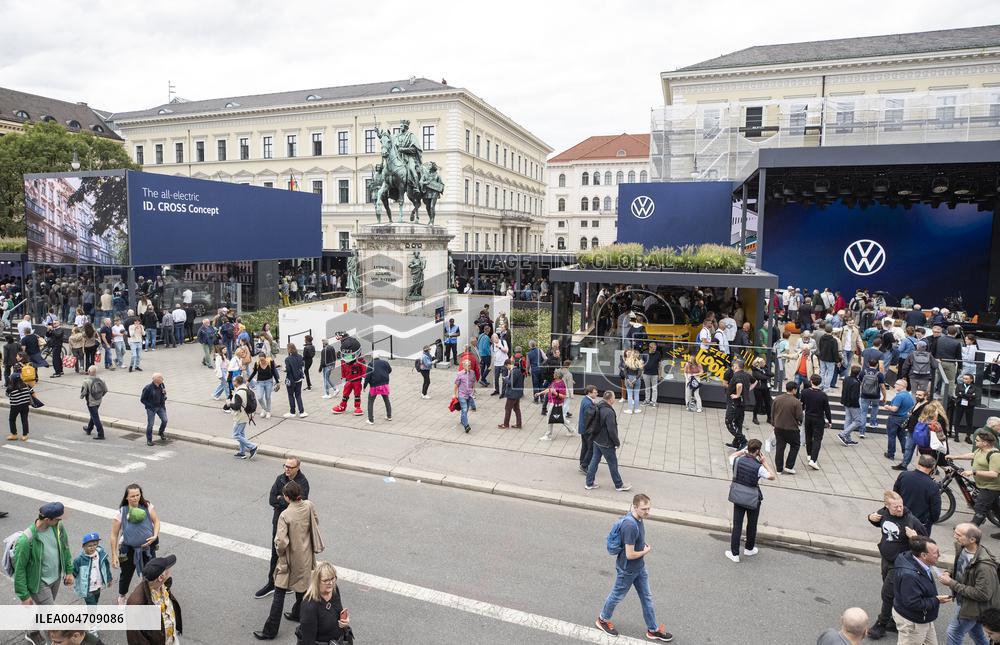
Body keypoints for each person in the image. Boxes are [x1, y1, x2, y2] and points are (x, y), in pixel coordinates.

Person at [594, 493, 672, 641]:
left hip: (639, 567)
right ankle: (602, 619)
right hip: (628, 569)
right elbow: (630, 554)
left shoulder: (639, 518)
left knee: (647, 597)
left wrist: (642, 546)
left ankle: (653, 629)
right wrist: (646, 551)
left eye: (649, 508)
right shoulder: (630, 525)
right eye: (644, 509)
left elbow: (636, 541)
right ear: (635, 507)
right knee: (617, 595)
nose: (647, 512)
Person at [254, 481, 325, 641]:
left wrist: (279, 552)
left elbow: (281, 542)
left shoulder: (285, 515)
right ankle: (297, 614)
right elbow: (316, 521)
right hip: (306, 556)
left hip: (289, 559)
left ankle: (270, 631)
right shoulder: (308, 505)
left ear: (287, 497)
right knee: (303, 589)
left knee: (279, 593)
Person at [867, 491, 927, 640]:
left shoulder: (911, 520)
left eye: (900, 506)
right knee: (894, 592)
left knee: (887, 593)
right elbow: (877, 521)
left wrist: (915, 537)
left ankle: (881, 624)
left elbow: (926, 541)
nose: (899, 509)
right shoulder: (884, 513)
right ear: (887, 507)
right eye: (895, 507)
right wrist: (870, 518)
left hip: (900, 563)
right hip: (886, 559)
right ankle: (895, 619)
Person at [255, 457, 310, 600]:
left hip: (294, 526)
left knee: (292, 555)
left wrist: (281, 500)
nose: (287, 469)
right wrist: (283, 501)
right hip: (279, 522)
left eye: (290, 467)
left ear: (298, 468)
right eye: (285, 466)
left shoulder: (303, 483)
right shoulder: (280, 478)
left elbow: (298, 505)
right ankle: (271, 583)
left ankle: (290, 584)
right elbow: (272, 499)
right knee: (276, 553)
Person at [938, 523, 998, 645]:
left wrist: (951, 583)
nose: (954, 536)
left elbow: (983, 594)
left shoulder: (984, 566)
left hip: (974, 606)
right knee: (975, 631)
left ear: (972, 539)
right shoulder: (962, 548)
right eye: (955, 531)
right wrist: (949, 572)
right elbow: (962, 568)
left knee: (953, 632)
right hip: (966, 601)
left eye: (959, 535)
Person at [12, 502, 74, 605]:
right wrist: (24, 595)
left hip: (56, 578)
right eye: (58, 519)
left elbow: (65, 548)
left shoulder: (58, 527)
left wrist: (69, 571)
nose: (61, 520)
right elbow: (20, 568)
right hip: (39, 584)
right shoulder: (26, 540)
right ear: (47, 520)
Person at [725, 438, 776, 562]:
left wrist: (742, 451)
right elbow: (772, 476)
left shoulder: (737, 460)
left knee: (737, 525)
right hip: (753, 498)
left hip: (738, 496)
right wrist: (764, 462)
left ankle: (735, 554)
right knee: (752, 524)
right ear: (758, 451)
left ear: (748, 448)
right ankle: (749, 549)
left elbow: (731, 456)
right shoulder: (759, 467)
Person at [892, 536, 948, 644]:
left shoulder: (914, 559)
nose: (939, 555)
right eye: (936, 553)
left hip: (923, 618)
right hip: (913, 623)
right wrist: (936, 600)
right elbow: (913, 603)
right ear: (923, 555)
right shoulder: (910, 576)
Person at [949, 429, 1000, 534]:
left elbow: (994, 474)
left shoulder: (995, 455)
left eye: (977, 440)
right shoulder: (980, 450)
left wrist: (973, 472)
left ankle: (966, 533)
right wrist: (955, 456)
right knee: (996, 509)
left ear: (985, 443)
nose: (975, 442)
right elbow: (972, 455)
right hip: (983, 485)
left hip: (991, 487)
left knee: (980, 508)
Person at [125, 554, 182, 645]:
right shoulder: (136, 604)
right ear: (161, 577)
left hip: (170, 639)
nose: (170, 570)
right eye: (168, 569)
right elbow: (136, 640)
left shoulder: (162, 585)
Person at [296, 562, 353, 645]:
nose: (330, 583)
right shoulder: (309, 606)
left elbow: (338, 614)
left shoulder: (334, 589)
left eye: (333, 578)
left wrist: (344, 623)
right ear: (317, 581)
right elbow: (308, 641)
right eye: (326, 580)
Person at [585, 391, 631, 491]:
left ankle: (589, 483)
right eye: (614, 397)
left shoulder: (598, 405)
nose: (615, 399)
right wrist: (616, 442)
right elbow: (612, 430)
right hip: (606, 443)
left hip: (596, 439)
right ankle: (619, 485)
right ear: (610, 399)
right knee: (613, 463)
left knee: (594, 461)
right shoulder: (609, 412)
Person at [893, 454, 942, 535]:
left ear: (918, 464)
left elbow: (895, 495)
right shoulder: (933, 486)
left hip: (900, 519)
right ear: (932, 467)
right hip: (920, 525)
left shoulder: (904, 475)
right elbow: (935, 512)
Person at [72, 532, 113, 608]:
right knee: (92, 605)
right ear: (83, 547)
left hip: (98, 585)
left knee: (95, 601)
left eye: (94, 545)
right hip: (87, 588)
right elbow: (74, 571)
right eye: (89, 546)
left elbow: (106, 567)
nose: (92, 547)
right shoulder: (79, 560)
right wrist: (70, 578)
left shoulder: (101, 555)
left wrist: (109, 579)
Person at [800, 373, 832, 469]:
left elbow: (802, 404)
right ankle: (814, 460)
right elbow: (827, 409)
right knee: (817, 439)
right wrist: (830, 421)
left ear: (811, 381)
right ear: (820, 383)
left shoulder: (804, 392)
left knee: (808, 436)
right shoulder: (823, 395)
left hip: (808, 417)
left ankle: (809, 455)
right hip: (819, 419)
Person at [771, 381, 804, 474]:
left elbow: (772, 412)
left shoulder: (777, 399)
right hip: (791, 429)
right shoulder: (796, 402)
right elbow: (799, 417)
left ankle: (779, 469)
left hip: (778, 427)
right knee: (795, 445)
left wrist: (774, 423)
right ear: (794, 390)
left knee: (780, 447)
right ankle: (789, 466)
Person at [225, 375, 258, 460]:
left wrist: (229, 404)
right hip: (246, 415)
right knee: (241, 434)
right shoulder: (246, 388)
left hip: (240, 416)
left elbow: (236, 406)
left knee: (236, 434)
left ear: (237, 382)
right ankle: (242, 452)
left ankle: (252, 447)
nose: (233, 382)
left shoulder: (239, 392)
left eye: (234, 381)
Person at [883, 379, 916, 463]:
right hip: (904, 419)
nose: (894, 385)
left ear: (902, 386)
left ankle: (891, 454)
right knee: (902, 436)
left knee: (892, 436)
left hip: (894, 418)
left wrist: (887, 407)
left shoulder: (899, 396)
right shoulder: (909, 396)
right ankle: (905, 453)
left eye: (897, 384)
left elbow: (894, 409)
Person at [724, 358, 754, 449]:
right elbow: (755, 381)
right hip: (742, 404)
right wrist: (747, 391)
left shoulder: (737, 375)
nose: (732, 367)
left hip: (734, 404)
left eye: (733, 366)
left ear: (736, 366)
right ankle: (736, 443)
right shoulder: (746, 374)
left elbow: (739, 385)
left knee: (729, 422)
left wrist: (737, 394)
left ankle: (744, 442)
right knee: (738, 423)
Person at [838, 365, 864, 445]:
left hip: (845, 401)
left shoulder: (846, 379)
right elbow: (854, 396)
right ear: (858, 373)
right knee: (858, 421)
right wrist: (857, 405)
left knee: (848, 419)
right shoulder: (856, 383)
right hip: (853, 404)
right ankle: (843, 434)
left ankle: (848, 438)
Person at [140, 373, 168, 447]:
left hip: (160, 407)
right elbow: (142, 399)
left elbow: (164, 393)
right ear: (156, 380)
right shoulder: (148, 388)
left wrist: (164, 396)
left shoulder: (162, 385)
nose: (163, 379)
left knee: (165, 420)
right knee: (150, 424)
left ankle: (161, 432)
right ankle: (149, 440)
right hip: (151, 408)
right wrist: (150, 406)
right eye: (161, 378)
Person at [363, 355, 392, 425]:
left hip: (374, 385)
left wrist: (364, 386)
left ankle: (371, 420)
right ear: (379, 357)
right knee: (386, 400)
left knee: (370, 402)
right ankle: (389, 416)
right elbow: (390, 370)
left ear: (372, 357)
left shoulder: (370, 364)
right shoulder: (385, 362)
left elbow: (367, 376)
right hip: (384, 384)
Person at [80, 365, 108, 440]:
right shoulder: (101, 379)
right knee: (93, 415)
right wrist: (100, 397)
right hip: (98, 401)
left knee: (95, 417)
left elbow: (83, 392)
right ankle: (89, 429)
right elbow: (105, 390)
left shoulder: (86, 381)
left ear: (89, 372)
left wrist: (81, 397)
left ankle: (101, 433)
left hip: (91, 402)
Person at [250, 353, 280, 419]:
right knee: (260, 397)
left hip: (269, 381)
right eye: (260, 360)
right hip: (260, 382)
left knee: (268, 397)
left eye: (263, 360)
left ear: (265, 358)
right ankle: (265, 409)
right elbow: (254, 372)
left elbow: (274, 372)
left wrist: (277, 382)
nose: (262, 361)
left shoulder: (270, 362)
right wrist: (248, 380)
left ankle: (268, 411)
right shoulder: (257, 363)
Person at [576, 385, 599, 471]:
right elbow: (589, 418)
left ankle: (582, 462)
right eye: (595, 392)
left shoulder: (585, 400)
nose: (597, 393)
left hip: (583, 428)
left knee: (585, 447)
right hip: (587, 430)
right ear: (589, 393)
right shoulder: (588, 403)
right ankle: (584, 465)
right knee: (591, 448)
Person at [498, 358, 524, 429]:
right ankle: (519, 424)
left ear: (509, 364)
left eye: (507, 367)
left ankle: (506, 424)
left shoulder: (514, 372)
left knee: (508, 408)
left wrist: (505, 379)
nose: (507, 368)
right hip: (517, 393)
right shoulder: (518, 370)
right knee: (516, 409)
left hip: (512, 394)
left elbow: (510, 383)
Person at [7, 373, 33, 441]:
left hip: (15, 406)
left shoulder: (10, 388)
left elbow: (8, 395)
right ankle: (25, 435)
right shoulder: (25, 385)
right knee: (24, 419)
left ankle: (14, 434)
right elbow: (31, 392)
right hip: (25, 405)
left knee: (12, 419)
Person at [283, 343, 307, 418]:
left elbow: (288, 370)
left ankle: (292, 412)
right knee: (298, 395)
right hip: (299, 379)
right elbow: (302, 366)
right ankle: (301, 411)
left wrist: (284, 369)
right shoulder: (300, 356)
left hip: (291, 380)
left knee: (291, 395)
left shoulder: (287, 359)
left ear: (289, 349)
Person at [454, 359, 477, 433]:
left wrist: (474, 390)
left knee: (466, 410)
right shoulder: (459, 374)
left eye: (470, 365)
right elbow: (456, 385)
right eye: (467, 365)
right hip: (462, 395)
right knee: (464, 409)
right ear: (464, 366)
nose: (469, 367)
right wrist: (454, 394)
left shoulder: (472, 373)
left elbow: (473, 382)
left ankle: (462, 420)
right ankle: (466, 426)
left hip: (469, 395)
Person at [954, 374, 979, 444]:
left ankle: (968, 436)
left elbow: (975, 396)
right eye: (964, 378)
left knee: (969, 421)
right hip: (960, 404)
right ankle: (956, 435)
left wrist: (963, 394)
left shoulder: (975, 387)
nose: (964, 380)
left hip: (970, 405)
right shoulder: (959, 385)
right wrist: (969, 395)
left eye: (966, 379)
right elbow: (957, 393)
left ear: (971, 380)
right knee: (957, 420)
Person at [619, 349, 643, 414]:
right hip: (636, 379)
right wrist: (635, 380)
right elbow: (640, 373)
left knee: (629, 394)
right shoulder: (639, 362)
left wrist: (628, 380)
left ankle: (630, 409)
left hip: (628, 378)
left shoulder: (627, 361)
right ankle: (636, 409)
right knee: (636, 394)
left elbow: (625, 371)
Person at [750, 356, 772, 425]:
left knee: (768, 403)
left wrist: (765, 372)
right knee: (758, 403)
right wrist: (766, 375)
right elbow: (762, 377)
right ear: (758, 363)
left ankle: (769, 418)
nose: (764, 363)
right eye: (763, 362)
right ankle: (754, 417)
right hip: (758, 389)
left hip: (766, 388)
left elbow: (772, 374)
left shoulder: (765, 368)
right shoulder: (755, 371)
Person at [641, 342, 662, 408]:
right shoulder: (645, 353)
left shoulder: (658, 354)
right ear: (649, 347)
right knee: (647, 388)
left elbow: (660, 365)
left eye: (655, 348)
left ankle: (653, 401)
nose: (654, 350)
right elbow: (641, 363)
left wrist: (660, 374)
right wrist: (641, 372)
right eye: (653, 349)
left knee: (654, 388)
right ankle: (647, 400)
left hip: (655, 374)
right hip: (646, 373)